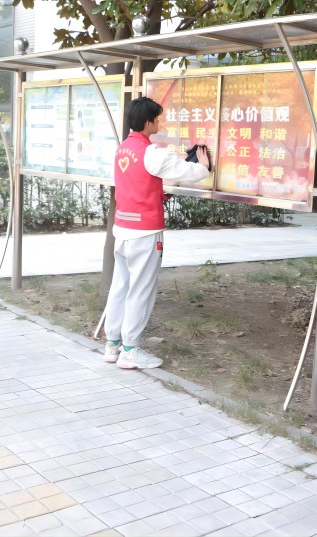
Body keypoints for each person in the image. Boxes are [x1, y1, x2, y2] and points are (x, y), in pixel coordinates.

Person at [103, 97, 211, 369]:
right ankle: (130, 351)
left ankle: (112, 345)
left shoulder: (122, 149)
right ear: (148, 122)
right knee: (141, 291)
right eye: (157, 119)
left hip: (122, 229)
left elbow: (142, 180)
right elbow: (190, 172)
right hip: (145, 232)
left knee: (120, 288)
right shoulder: (152, 152)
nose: (159, 123)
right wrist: (203, 165)